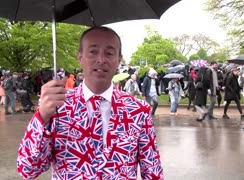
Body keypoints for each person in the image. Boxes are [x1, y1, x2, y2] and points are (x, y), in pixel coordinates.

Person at [17, 26, 163, 179]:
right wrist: (41, 118)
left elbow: (153, 171)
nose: (101, 59)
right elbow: (28, 169)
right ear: (80, 56)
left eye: (109, 53)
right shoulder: (58, 106)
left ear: (119, 59)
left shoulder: (138, 110)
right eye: (93, 51)